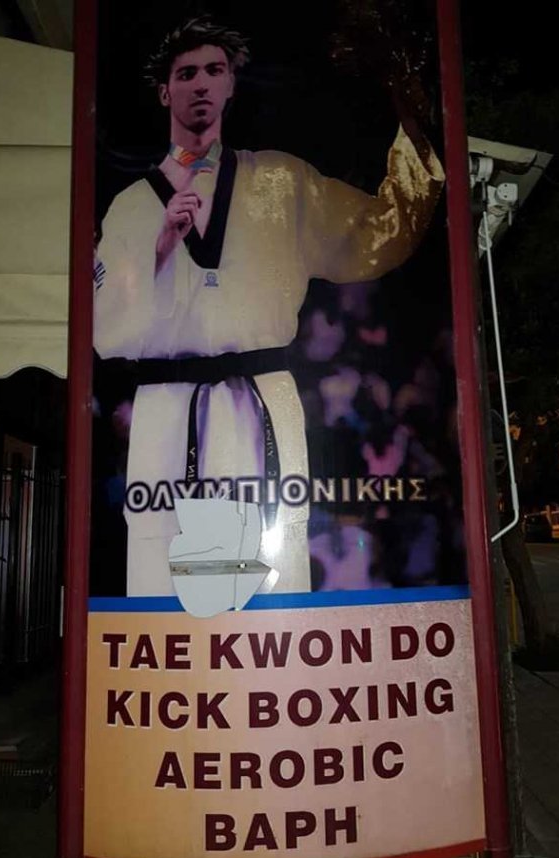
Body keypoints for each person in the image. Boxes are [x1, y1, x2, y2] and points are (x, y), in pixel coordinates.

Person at [94, 16, 445, 598]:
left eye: (214, 70)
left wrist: (413, 126)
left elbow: (378, 231)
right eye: (186, 73)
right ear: (165, 92)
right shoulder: (132, 206)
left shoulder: (282, 183)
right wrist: (158, 250)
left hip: (264, 403)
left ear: (230, 84)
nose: (201, 83)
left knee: (273, 570)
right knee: (163, 577)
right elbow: (106, 329)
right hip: (167, 412)